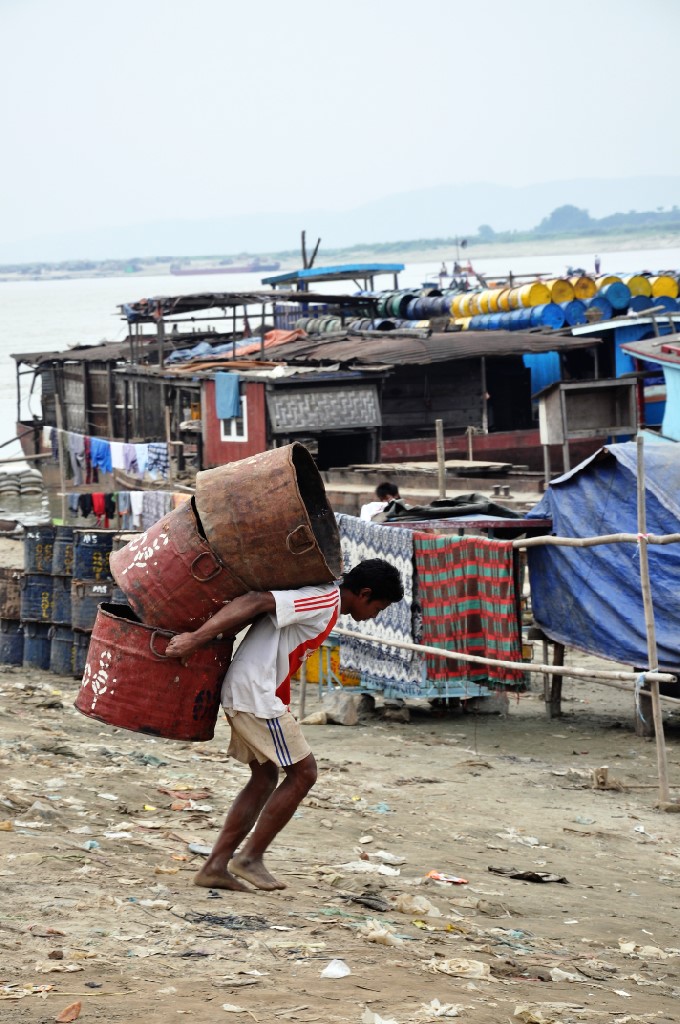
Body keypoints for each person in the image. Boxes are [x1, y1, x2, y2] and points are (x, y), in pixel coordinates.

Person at [164, 558, 404, 892]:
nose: (375, 616)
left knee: (265, 778)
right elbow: (255, 601)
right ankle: (248, 858)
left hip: (252, 691)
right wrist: (195, 639)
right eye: (378, 608)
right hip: (256, 694)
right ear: (364, 593)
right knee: (304, 774)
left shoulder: (326, 601)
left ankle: (215, 866)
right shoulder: (324, 599)